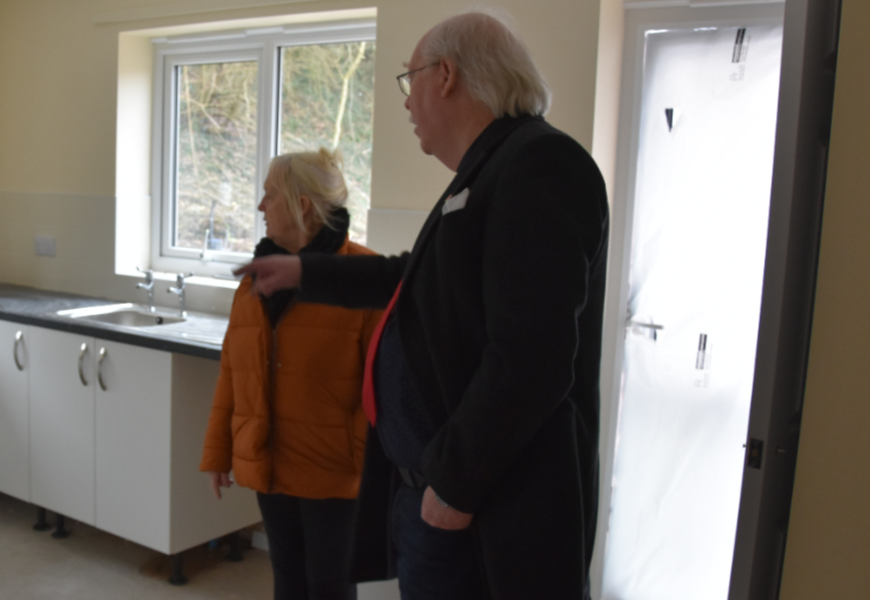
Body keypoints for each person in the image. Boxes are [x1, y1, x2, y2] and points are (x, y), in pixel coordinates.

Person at [236, 11, 610, 600]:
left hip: (483, 505)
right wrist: (304, 271)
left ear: (446, 75)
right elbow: (412, 277)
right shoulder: (482, 172)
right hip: (438, 495)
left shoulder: (539, 165)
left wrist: (453, 487)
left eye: (409, 81)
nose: (407, 105)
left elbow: (532, 360)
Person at [201, 148, 382, 600]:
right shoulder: (257, 280)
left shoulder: (363, 275)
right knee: (288, 583)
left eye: (269, 196)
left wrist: (356, 454)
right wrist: (219, 452)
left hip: (335, 477)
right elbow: (233, 373)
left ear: (302, 205)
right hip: (271, 465)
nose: (260, 207)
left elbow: (385, 387)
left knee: (330, 589)